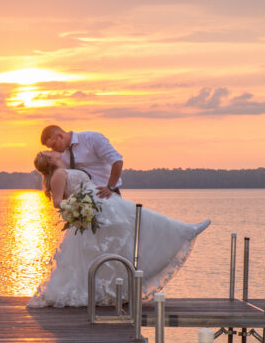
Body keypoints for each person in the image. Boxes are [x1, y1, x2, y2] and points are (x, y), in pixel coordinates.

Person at [28, 150, 210, 308]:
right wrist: (78, 206)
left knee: (131, 231)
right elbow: (57, 202)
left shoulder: (65, 169)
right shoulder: (59, 174)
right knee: (139, 221)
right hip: (95, 209)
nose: (52, 151)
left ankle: (180, 232)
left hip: (103, 205)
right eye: (48, 153)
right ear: (50, 160)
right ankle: (183, 231)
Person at [40, 125, 123, 198]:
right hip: (83, 201)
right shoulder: (61, 156)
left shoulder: (92, 138)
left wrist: (110, 187)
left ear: (60, 136)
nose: (53, 149)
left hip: (107, 194)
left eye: (53, 145)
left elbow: (117, 161)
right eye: (50, 148)